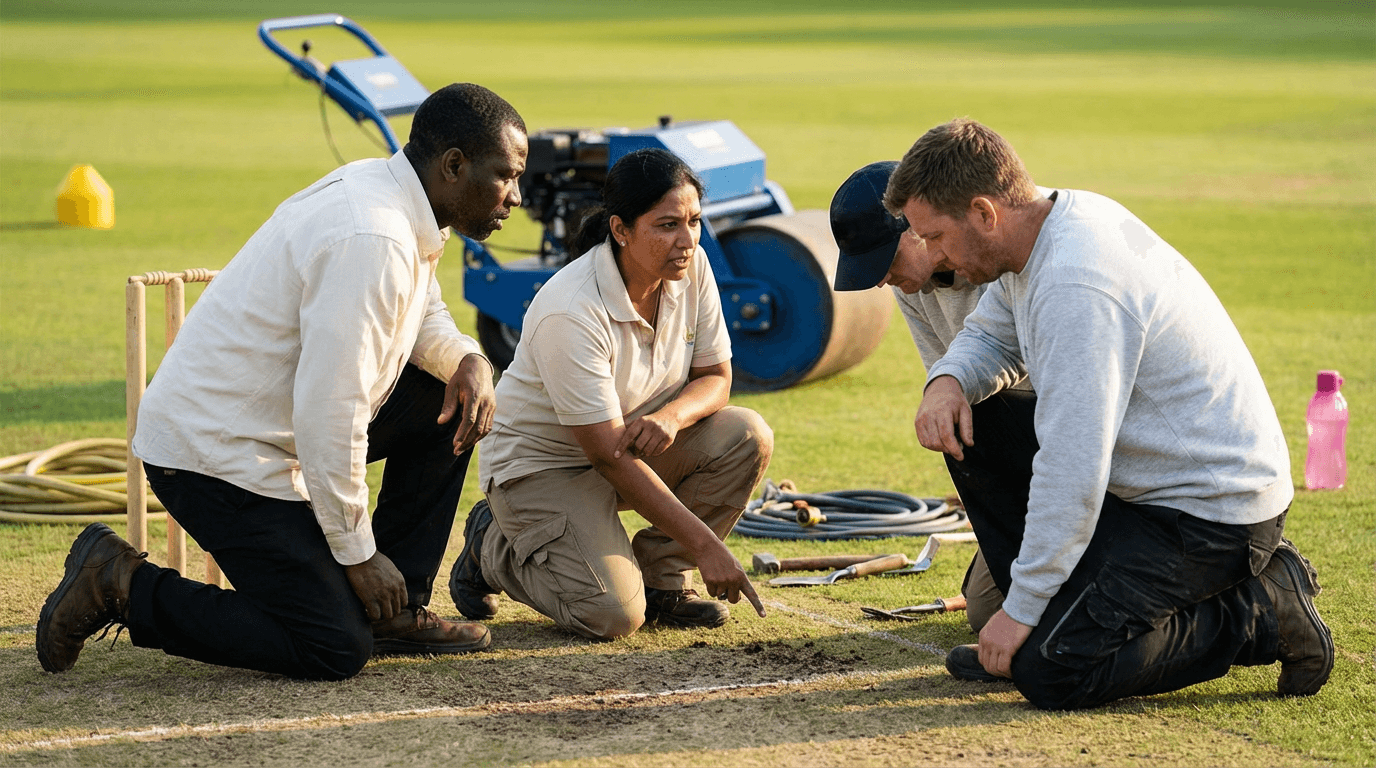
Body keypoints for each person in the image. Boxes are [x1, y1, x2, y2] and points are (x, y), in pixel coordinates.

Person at [36, 83, 529, 681]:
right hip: (213, 455)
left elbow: (422, 309)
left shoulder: (399, 200)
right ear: (454, 166)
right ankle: (119, 582)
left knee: (448, 402)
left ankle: (395, 613)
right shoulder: (372, 237)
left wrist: (468, 359)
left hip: (273, 425)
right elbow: (330, 415)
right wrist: (358, 554)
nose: (516, 196)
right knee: (332, 647)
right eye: (506, 176)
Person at [891, 118, 1332, 709]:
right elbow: (990, 337)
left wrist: (1021, 611)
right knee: (978, 416)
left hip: (1209, 515)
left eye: (937, 237)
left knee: (1052, 673)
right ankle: (1044, 618)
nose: (932, 256)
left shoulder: (1079, 283)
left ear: (984, 212)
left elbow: (1073, 467)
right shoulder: (1043, 232)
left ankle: (1261, 609)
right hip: (1149, 494)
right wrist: (946, 381)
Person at [449, 148, 773, 640]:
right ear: (620, 230)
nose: (686, 240)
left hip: (625, 445)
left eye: (694, 221)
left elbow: (716, 378)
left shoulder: (694, 268)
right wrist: (707, 546)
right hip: (543, 468)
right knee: (612, 616)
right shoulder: (572, 310)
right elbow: (606, 456)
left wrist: (672, 416)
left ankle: (663, 578)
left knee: (747, 433)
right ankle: (491, 546)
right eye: (666, 225)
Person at [829, 160, 1018, 634]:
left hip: (1057, 446)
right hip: (1015, 455)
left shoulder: (999, 266)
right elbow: (947, 390)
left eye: (885, 262)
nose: (879, 280)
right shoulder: (912, 289)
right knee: (983, 613)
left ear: (917, 230)